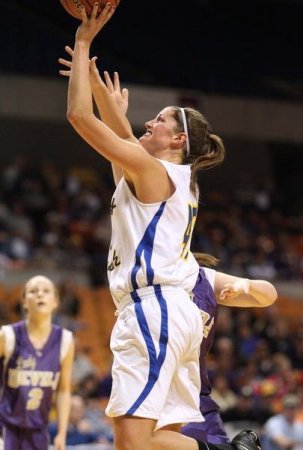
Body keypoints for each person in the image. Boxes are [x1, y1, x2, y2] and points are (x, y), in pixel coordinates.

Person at [61, 4, 261, 450]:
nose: (148, 122)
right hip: (163, 312)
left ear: (179, 140)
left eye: (162, 120)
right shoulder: (159, 176)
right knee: (147, 440)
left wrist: (82, 42)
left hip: (155, 311)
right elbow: (124, 147)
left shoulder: (156, 175)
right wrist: (94, 82)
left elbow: (79, 118)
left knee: (133, 443)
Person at [182, 257, 277, 443]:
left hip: (198, 396)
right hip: (162, 394)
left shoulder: (202, 277)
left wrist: (244, 285)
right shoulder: (147, 279)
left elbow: (269, 294)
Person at [0, 275, 75, 450]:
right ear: (24, 302)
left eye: (46, 291)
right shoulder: (7, 336)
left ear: (55, 301)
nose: (40, 294)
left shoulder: (65, 340)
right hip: (6, 429)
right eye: (33, 291)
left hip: (40, 431)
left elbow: (64, 390)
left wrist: (62, 433)